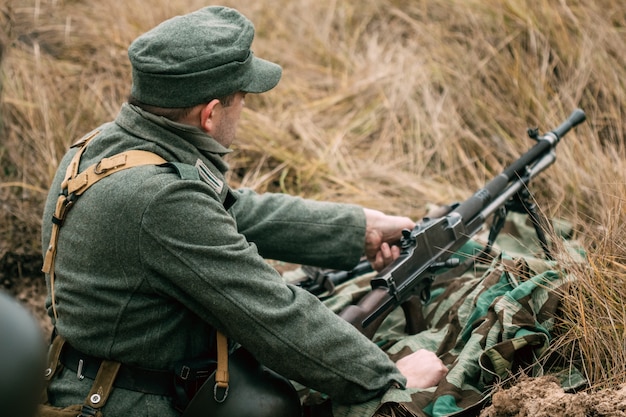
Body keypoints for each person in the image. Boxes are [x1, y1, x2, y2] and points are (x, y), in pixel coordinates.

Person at [40, 6, 447, 416]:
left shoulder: (99, 149)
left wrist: (358, 228)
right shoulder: (161, 201)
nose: (245, 109)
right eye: (242, 99)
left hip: (88, 375)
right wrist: (389, 379)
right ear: (211, 114)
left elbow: (232, 209)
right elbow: (274, 316)